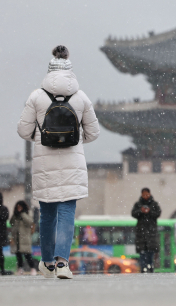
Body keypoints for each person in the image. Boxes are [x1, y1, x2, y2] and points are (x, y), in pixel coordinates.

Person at [17, 45, 100, 279]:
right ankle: (63, 262)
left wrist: (43, 135)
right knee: (66, 213)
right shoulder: (81, 97)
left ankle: (46, 263)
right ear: (70, 71)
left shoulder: (36, 96)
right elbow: (93, 133)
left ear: (49, 71)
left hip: (45, 165)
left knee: (47, 214)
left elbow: (23, 131)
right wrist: (73, 137)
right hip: (72, 164)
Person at [131, 188, 162, 273]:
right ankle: (143, 270)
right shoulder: (138, 204)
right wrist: (140, 211)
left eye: (146, 194)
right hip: (141, 235)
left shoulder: (154, 204)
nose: (145, 196)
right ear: (141, 194)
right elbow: (133, 213)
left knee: (150, 255)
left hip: (151, 235)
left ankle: (150, 269)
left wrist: (149, 211)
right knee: (142, 255)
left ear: (149, 194)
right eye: (143, 194)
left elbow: (158, 213)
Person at [10, 201, 36, 275]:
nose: (19, 209)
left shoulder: (26, 214)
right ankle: (20, 268)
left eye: (20, 207)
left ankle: (32, 268)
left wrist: (22, 214)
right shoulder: (16, 216)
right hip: (17, 239)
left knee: (27, 255)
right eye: (18, 207)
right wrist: (15, 215)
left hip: (25, 239)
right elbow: (11, 222)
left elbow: (30, 222)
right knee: (18, 255)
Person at [0, 193, 10, 275]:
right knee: (1, 253)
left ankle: (2, 269)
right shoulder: (4, 209)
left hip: (1, 234)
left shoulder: (3, 209)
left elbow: (4, 217)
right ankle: (2, 269)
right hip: (2, 234)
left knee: (0, 253)